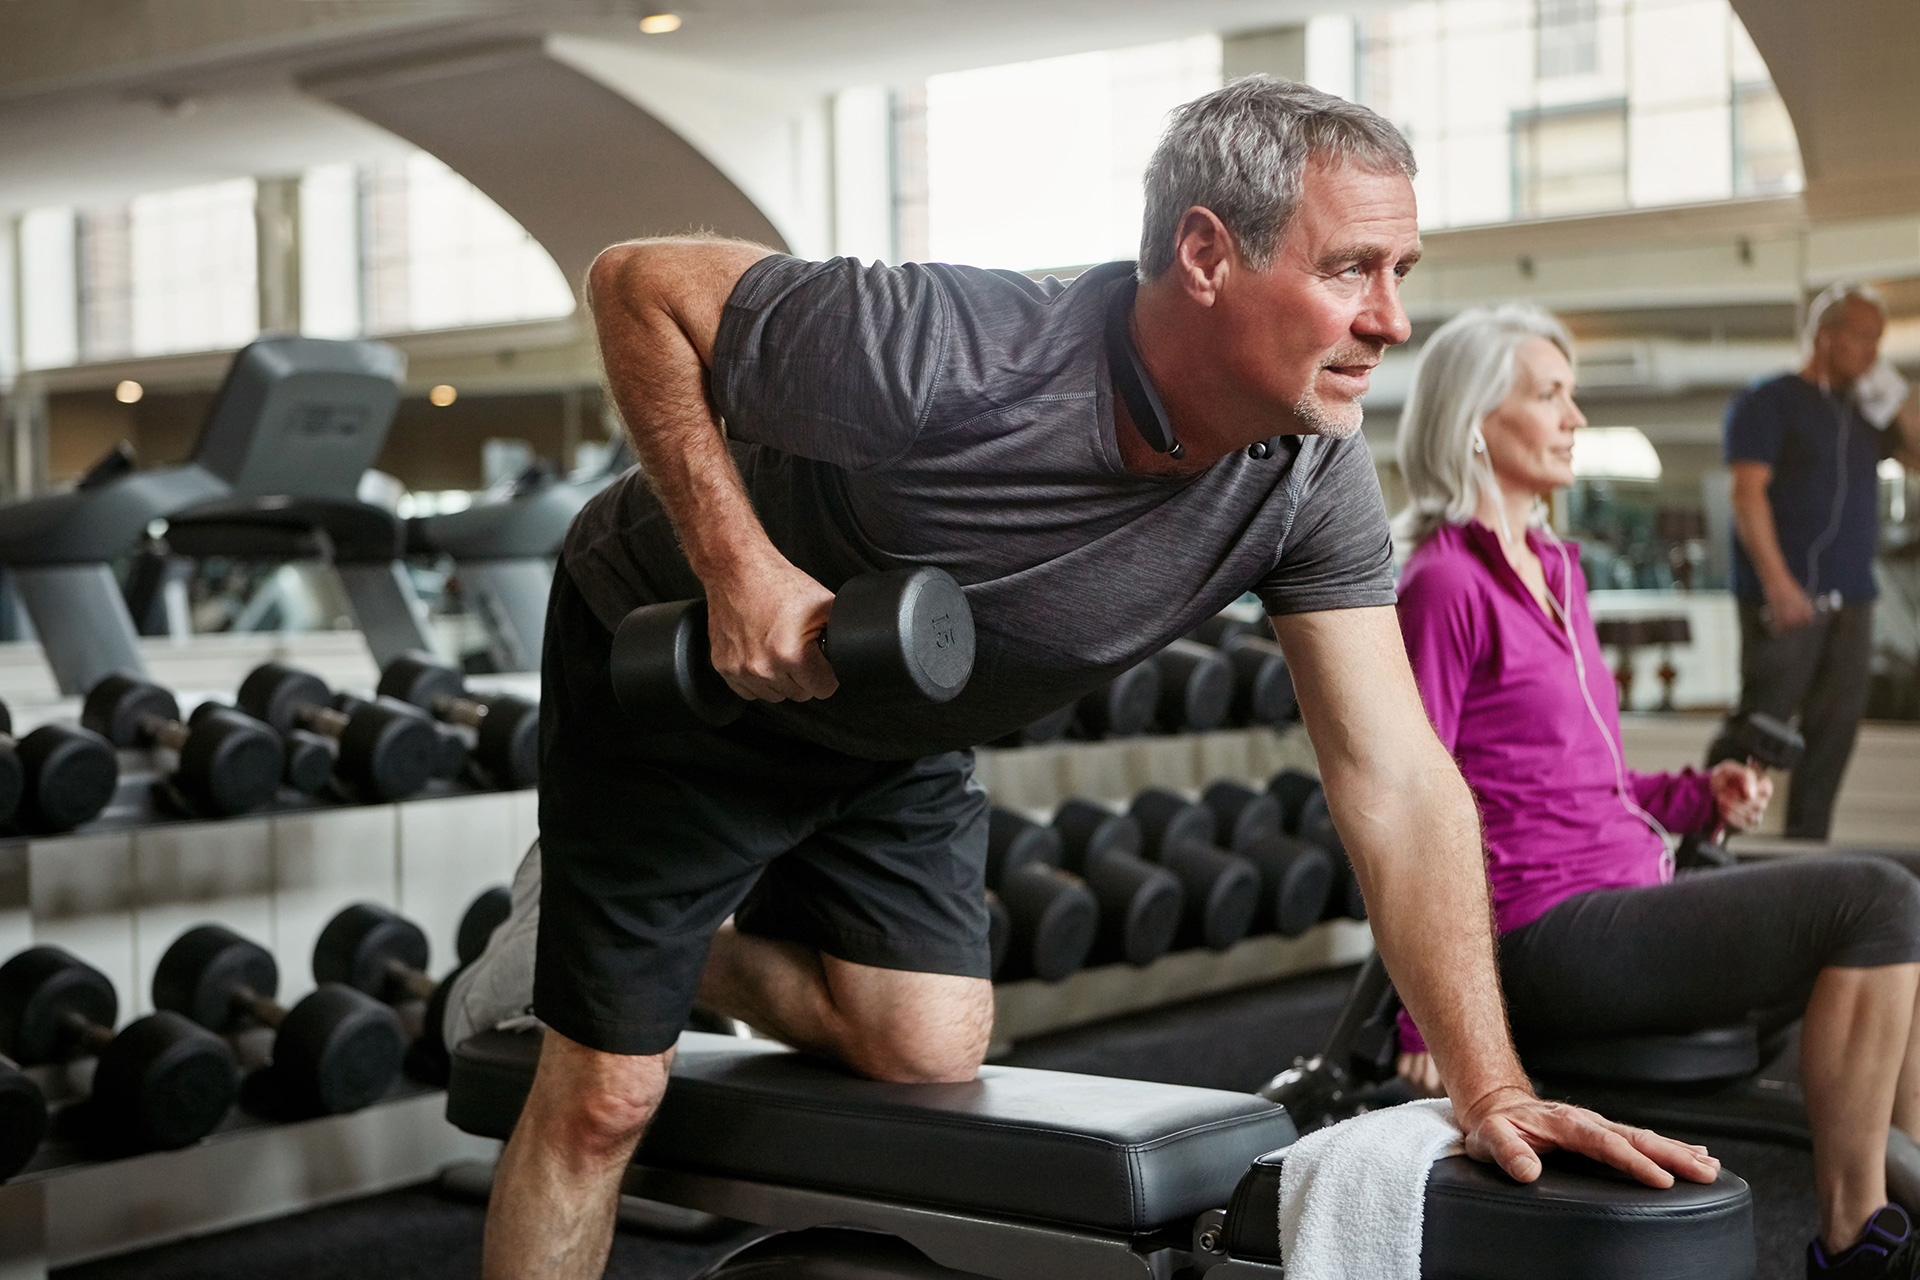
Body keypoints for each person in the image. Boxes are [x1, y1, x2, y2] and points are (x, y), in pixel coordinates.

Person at [481, 79, 1715, 1280]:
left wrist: (1490, 1082)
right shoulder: (951, 349)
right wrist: (736, 562)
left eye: (1403, 273)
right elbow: (638, 282)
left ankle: (597, 925)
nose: (1390, 318)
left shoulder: (1309, 476)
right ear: (1205, 252)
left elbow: (1395, 772)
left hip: (896, 723)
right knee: (606, 1094)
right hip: (682, 673)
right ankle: (603, 942)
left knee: (924, 1040)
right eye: (1351, 269)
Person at [1391, 301, 1920, 1277]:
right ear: (1473, 419)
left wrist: (1693, 794)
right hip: (1543, 928)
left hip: (1629, 895)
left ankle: (1901, 1196)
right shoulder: (1443, 584)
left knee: (1892, 902)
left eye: (1572, 394)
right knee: (1877, 896)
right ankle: (1853, 1236)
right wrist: (1424, 1014)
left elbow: (1584, 775)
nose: (1575, 417)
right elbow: (1404, 800)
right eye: (1549, 395)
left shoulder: (1558, 570)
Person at [1711, 282, 1920, 838]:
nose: (1872, 351)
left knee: (1833, 736)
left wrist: (1895, 397)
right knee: (1759, 726)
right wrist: (1779, 585)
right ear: (1825, 337)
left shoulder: (1864, 416)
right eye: (1862, 338)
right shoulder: (1769, 400)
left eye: (1880, 340)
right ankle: (1702, 844)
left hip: (1852, 603)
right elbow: (1746, 495)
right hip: (1786, 595)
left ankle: (1806, 853)